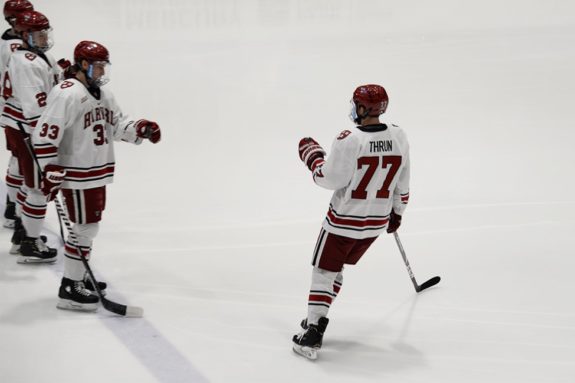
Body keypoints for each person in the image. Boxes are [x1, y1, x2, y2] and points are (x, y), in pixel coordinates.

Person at [32, 40, 161, 311]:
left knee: (88, 229)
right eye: (99, 66)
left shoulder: (104, 94)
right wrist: (51, 168)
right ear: (84, 64)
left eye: (105, 66)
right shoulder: (67, 93)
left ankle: (78, 277)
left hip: (96, 172)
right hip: (77, 172)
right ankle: (70, 287)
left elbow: (116, 124)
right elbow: (44, 134)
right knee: (83, 229)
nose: (103, 72)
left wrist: (140, 129)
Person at [293, 84, 410, 360]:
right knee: (336, 269)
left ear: (362, 108)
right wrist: (398, 212)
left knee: (323, 270)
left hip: (344, 221)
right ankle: (317, 313)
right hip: (375, 224)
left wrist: (314, 158)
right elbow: (402, 179)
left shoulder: (349, 139)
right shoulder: (399, 135)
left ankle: (313, 331)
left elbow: (330, 178)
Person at [1, 9, 59, 263]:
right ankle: (30, 243)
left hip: (20, 126)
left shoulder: (36, 55)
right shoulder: (25, 62)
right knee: (36, 187)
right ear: (25, 35)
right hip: (27, 130)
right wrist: (47, 142)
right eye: (39, 33)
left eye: (46, 31)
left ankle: (23, 234)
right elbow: (35, 109)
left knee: (28, 182)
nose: (45, 37)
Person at [0, 0, 34, 229]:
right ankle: (16, 207)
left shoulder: (11, 41)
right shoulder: (15, 47)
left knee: (16, 156)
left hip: (11, 108)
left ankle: (12, 205)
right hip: (19, 109)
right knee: (23, 158)